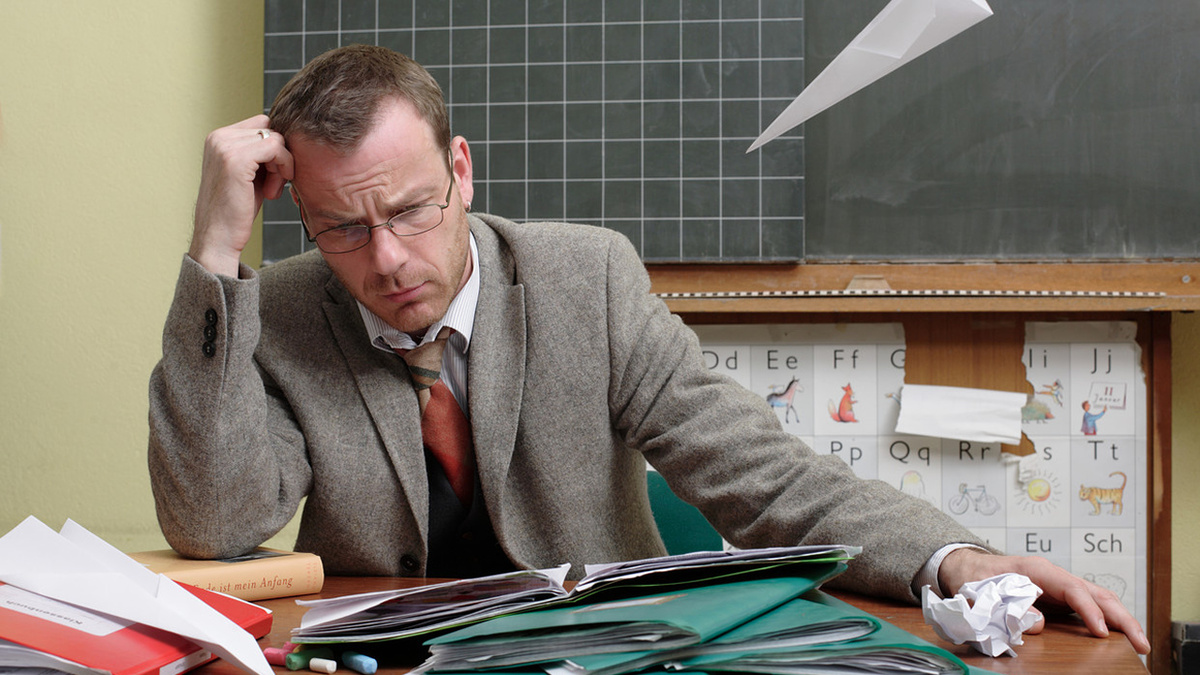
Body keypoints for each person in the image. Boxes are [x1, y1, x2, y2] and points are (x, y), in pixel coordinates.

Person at [148, 45, 1149, 654]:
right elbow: (214, 520)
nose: (388, 259)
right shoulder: (279, 312)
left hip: (605, 657)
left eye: (412, 209)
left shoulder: (587, 280)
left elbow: (764, 477)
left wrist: (955, 557)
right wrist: (216, 253)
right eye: (341, 229)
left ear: (461, 169)